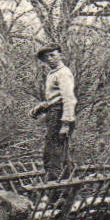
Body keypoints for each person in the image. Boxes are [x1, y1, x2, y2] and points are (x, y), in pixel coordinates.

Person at [30, 45, 76, 179]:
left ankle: (54, 187)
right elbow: (56, 97)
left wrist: (66, 123)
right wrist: (42, 106)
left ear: (60, 55)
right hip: (54, 112)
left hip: (60, 115)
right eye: (46, 57)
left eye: (52, 55)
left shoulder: (63, 73)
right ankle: (63, 185)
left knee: (53, 153)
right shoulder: (53, 73)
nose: (49, 59)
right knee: (57, 150)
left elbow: (68, 99)